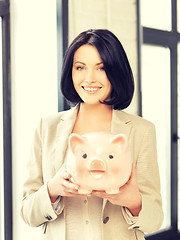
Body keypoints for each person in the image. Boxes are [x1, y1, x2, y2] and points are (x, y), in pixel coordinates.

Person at [21, 29, 163, 240]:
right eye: (80, 67)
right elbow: (27, 212)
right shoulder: (47, 127)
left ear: (116, 72)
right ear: (71, 71)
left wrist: (133, 200)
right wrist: (53, 189)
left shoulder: (141, 131)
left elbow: (155, 219)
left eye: (101, 68)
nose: (89, 78)